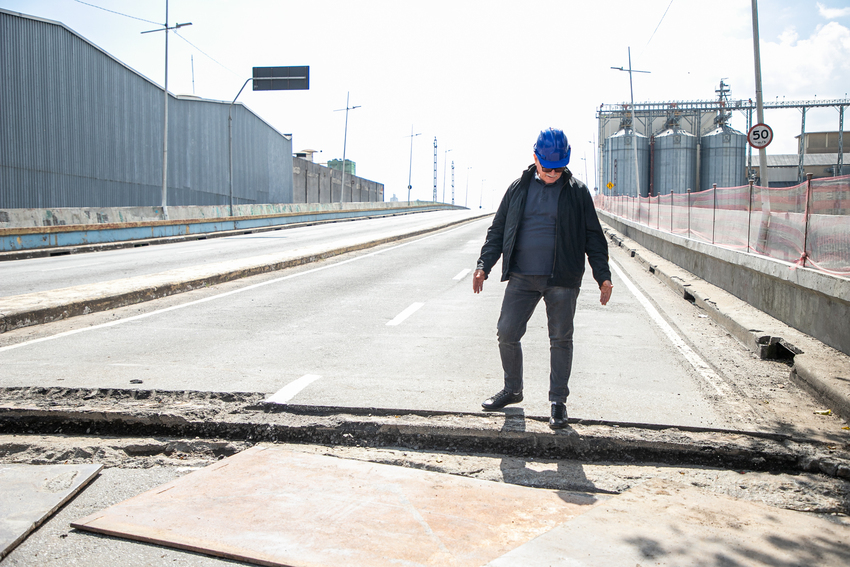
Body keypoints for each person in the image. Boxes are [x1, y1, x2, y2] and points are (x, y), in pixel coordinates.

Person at [472, 128, 613, 429]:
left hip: (562, 277)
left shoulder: (577, 193)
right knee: (506, 332)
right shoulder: (518, 189)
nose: (552, 173)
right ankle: (513, 390)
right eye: (547, 167)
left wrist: (603, 275)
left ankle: (557, 402)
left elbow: (594, 238)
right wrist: (484, 265)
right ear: (535, 158)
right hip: (522, 276)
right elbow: (497, 231)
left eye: (558, 168)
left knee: (560, 339)